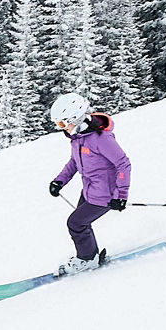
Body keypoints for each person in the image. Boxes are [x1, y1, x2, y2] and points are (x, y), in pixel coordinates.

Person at [47, 92, 132, 275]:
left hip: (105, 194)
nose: (61, 128)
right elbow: (74, 162)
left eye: (62, 123)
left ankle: (86, 259)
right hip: (89, 190)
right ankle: (90, 256)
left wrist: (121, 196)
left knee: (75, 224)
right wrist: (59, 181)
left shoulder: (101, 139)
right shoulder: (78, 138)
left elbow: (123, 164)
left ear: (75, 118)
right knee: (81, 224)